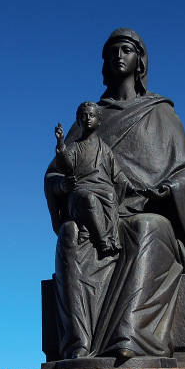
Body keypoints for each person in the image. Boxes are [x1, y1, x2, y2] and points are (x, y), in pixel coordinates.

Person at [44, 28, 185, 361]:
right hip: (96, 213)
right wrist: (64, 186)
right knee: (71, 233)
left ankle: (130, 337)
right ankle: (78, 344)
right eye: (112, 51)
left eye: (126, 49)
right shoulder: (88, 117)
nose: (118, 55)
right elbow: (56, 171)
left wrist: (168, 189)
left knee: (149, 227)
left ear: (139, 60)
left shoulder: (160, 112)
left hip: (143, 210)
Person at [53, 102, 129, 261]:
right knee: (89, 199)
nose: (88, 118)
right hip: (80, 191)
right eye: (84, 116)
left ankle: (113, 239)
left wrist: (135, 188)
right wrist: (61, 144)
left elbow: (118, 175)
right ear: (78, 121)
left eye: (92, 115)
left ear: (99, 121)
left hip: (103, 189)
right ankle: (103, 241)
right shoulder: (74, 147)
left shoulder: (105, 149)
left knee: (110, 196)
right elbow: (66, 166)